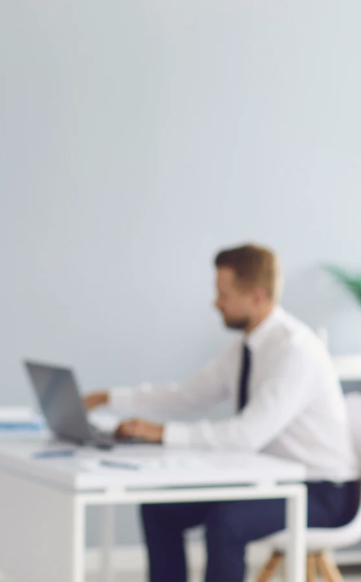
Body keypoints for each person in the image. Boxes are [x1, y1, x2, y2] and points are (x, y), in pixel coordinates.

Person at [84, 243, 360, 582]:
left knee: (226, 522)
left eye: (223, 295)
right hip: (269, 479)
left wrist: (163, 433)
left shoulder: (296, 351)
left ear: (256, 297)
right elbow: (185, 396)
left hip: (323, 491)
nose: (216, 303)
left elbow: (247, 435)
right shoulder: (242, 349)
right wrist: (108, 397)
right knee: (160, 510)